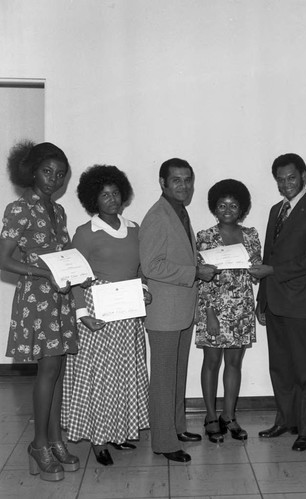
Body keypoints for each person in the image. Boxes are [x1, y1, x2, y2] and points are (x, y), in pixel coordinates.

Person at [0, 141, 79, 481]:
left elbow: (61, 255)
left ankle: (56, 439)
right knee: (47, 371)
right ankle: (39, 445)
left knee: (58, 370)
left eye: (60, 175)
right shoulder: (19, 208)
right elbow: (2, 259)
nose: (53, 179)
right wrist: (44, 272)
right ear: (31, 171)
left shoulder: (58, 211)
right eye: (47, 172)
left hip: (59, 298)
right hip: (37, 296)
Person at [61, 165, 150, 466]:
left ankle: (118, 433)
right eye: (104, 195)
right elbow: (74, 277)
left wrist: (144, 289)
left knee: (123, 375)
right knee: (100, 378)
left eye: (115, 194)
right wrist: (82, 313)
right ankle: (99, 439)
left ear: (123, 195)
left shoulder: (136, 229)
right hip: (97, 313)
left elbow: (138, 270)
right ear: (93, 200)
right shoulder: (85, 234)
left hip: (127, 314)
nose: (111, 200)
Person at [249, 153, 306, 452]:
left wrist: (272, 272)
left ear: (304, 176)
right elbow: (269, 255)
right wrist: (263, 299)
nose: (286, 184)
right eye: (280, 180)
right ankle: (286, 419)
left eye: (291, 178)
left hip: (301, 302)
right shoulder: (276, 210)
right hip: (275, 301)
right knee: (280, 367)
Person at [139, 158, 217, 463]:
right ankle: (163, 441)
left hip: (181, 308)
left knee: (177, 375)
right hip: (164, 311)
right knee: (163, 378)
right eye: (177, 180)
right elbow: (152, 265)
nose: (184, 186)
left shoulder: (178, 212)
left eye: (188, 180)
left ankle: (176, 428)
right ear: (162, 183)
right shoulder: (158, 215)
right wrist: (195, 272)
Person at [196, 179, 262, 443]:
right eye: (222, 205)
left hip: (242, 308)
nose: (227, 209)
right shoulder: (205, 236)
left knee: (234, 363)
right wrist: (210, 312)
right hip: (213, 309)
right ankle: (211, 416)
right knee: (212, 363)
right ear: (214, 207)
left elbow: (254, 272)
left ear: (241, 209)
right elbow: (202, 277)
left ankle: (229, 415)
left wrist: (257, 265)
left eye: (233, 205)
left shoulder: (251, 235)